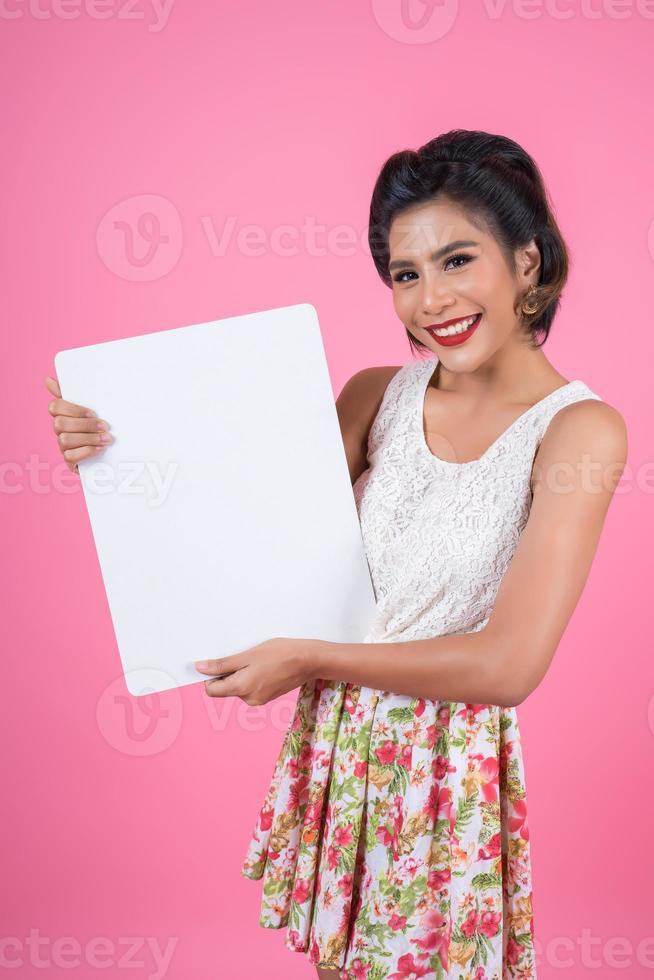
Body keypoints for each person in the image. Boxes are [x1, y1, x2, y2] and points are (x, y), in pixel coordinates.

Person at [45, 129, 627, 980]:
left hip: (444, 771)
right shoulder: (374, 395)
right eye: (406, 273)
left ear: (528, 262)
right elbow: (247, 521)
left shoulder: (579, 429)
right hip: (338, 750)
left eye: (458, 260)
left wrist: (311, 657)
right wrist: (113, 447)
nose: (432, 298)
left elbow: (510, 664)